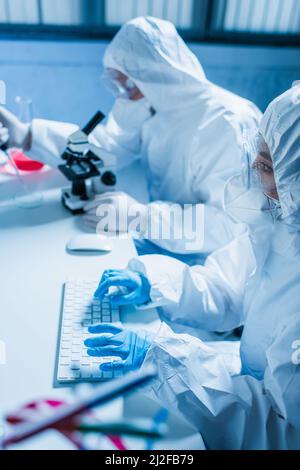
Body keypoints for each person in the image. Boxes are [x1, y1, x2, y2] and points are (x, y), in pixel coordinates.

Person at [84, 84, 300, 449]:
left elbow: (279, 430)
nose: (250, 170)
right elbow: (228, 286)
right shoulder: (284, 225)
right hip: (245, 380)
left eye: (265, 164)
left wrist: (162, 361)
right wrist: (155, 283)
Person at [0, 17, 262, 264]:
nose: (123, 95)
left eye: (128, 86)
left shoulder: (227, 123)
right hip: (167, 241)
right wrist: (26, 136)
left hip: (209, 266)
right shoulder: (153, 103)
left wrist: (143, 217)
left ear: (158, 76)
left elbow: (229, 226)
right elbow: (104, 148)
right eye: (116, 85)